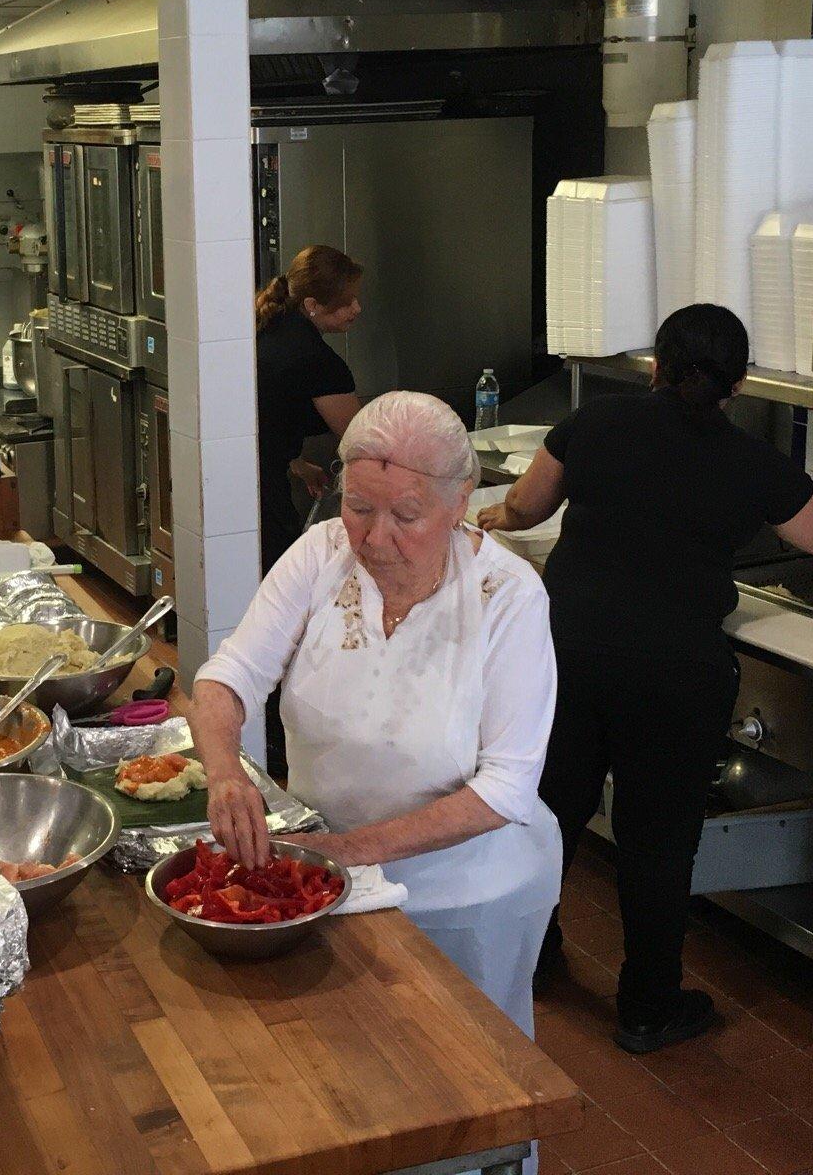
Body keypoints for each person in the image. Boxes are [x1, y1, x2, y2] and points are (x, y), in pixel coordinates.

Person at [478, 304, 813, 1055]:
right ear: (742, 383)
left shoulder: (593, 424)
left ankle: (528, 959)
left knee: (549, 814)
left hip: (568, 654)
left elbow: (529, 505)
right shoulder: (750, 463)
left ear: (657, 365)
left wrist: (496, 513)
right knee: (657, 845)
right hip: (673, 674)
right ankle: (648, 1009)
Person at [193, 391, 563, 1044]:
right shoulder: (320, 555)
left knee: (471, 1068)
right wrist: (225, 772)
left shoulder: (508, 596)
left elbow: (505, 789)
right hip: (331, 879)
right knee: (347, 1062)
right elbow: (229, 675)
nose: (374, 536)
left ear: (461, 501)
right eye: (359, 507)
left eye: (406, 515)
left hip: (469, 891)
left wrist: (342, 853)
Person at [254, 244, 365, 573]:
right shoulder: (315, 360)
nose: (357, 308)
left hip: (248, 474)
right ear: (312, 305)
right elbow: (364, 440)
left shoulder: (270, 326)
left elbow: (268, 413)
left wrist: (298, 464)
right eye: (346, 303)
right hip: (263, 489)